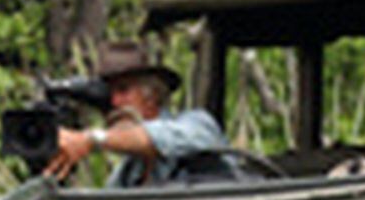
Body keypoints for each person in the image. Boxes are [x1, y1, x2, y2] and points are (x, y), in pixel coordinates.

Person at [46, 39, 229, 188]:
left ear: (152, 96)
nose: (114, 103)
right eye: (108, 94)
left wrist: (91, 139)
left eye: (123, 90)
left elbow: (164, 138)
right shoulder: (125, 175)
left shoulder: (197, 125)